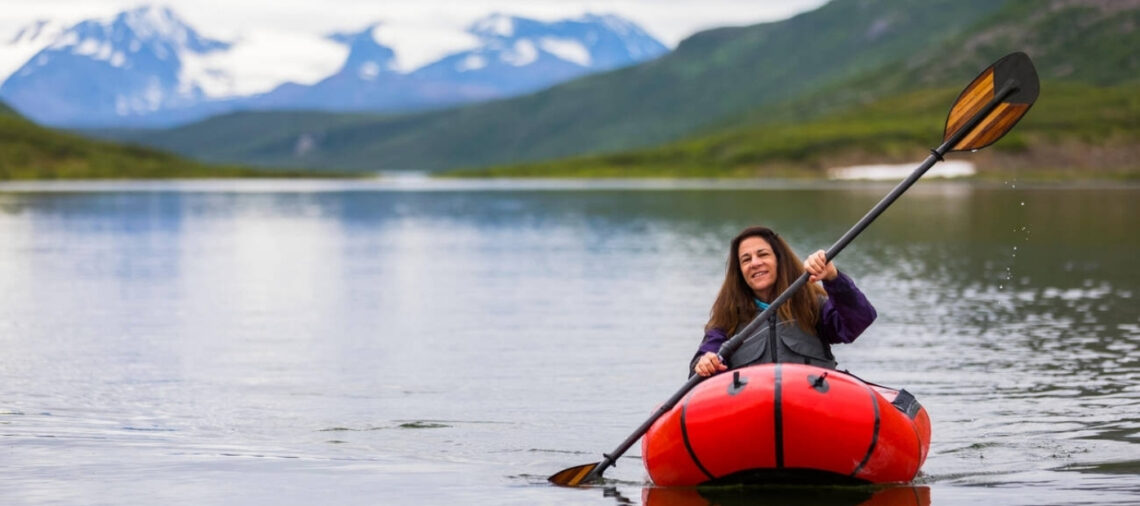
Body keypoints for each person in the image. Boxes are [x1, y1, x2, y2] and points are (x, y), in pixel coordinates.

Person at [691, 225, 877, 377]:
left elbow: (858, 321)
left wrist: (832, 277)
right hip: (750, 409)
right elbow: (701, 365)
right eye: (746, 260)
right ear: (739, 272)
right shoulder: (727, 317)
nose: (755, 263)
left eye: (763, 254)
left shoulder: (812, 304)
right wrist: (705, 362)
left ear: (779, 261)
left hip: (813, 406)